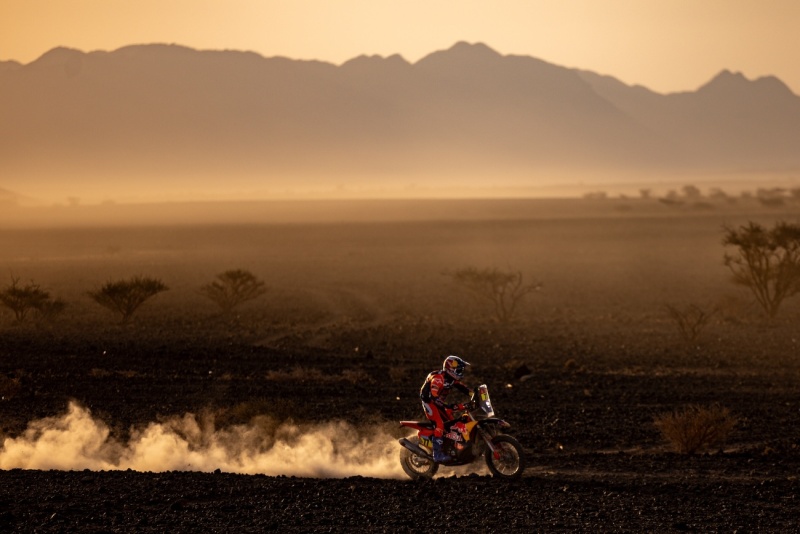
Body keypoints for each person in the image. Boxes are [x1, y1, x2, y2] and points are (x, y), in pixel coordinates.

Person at [419, 355, 472, 462]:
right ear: (450, 368)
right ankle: (437, 455)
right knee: (439, 424)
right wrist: (451, 406)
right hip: (430, 402)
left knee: (451, 423)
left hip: (439, 402)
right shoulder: (438, 379)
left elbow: (463, 388)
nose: (460, 371)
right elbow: (433, 396)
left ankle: (451, 446)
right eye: (458, 369)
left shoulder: (451, 379)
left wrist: (474, 394)